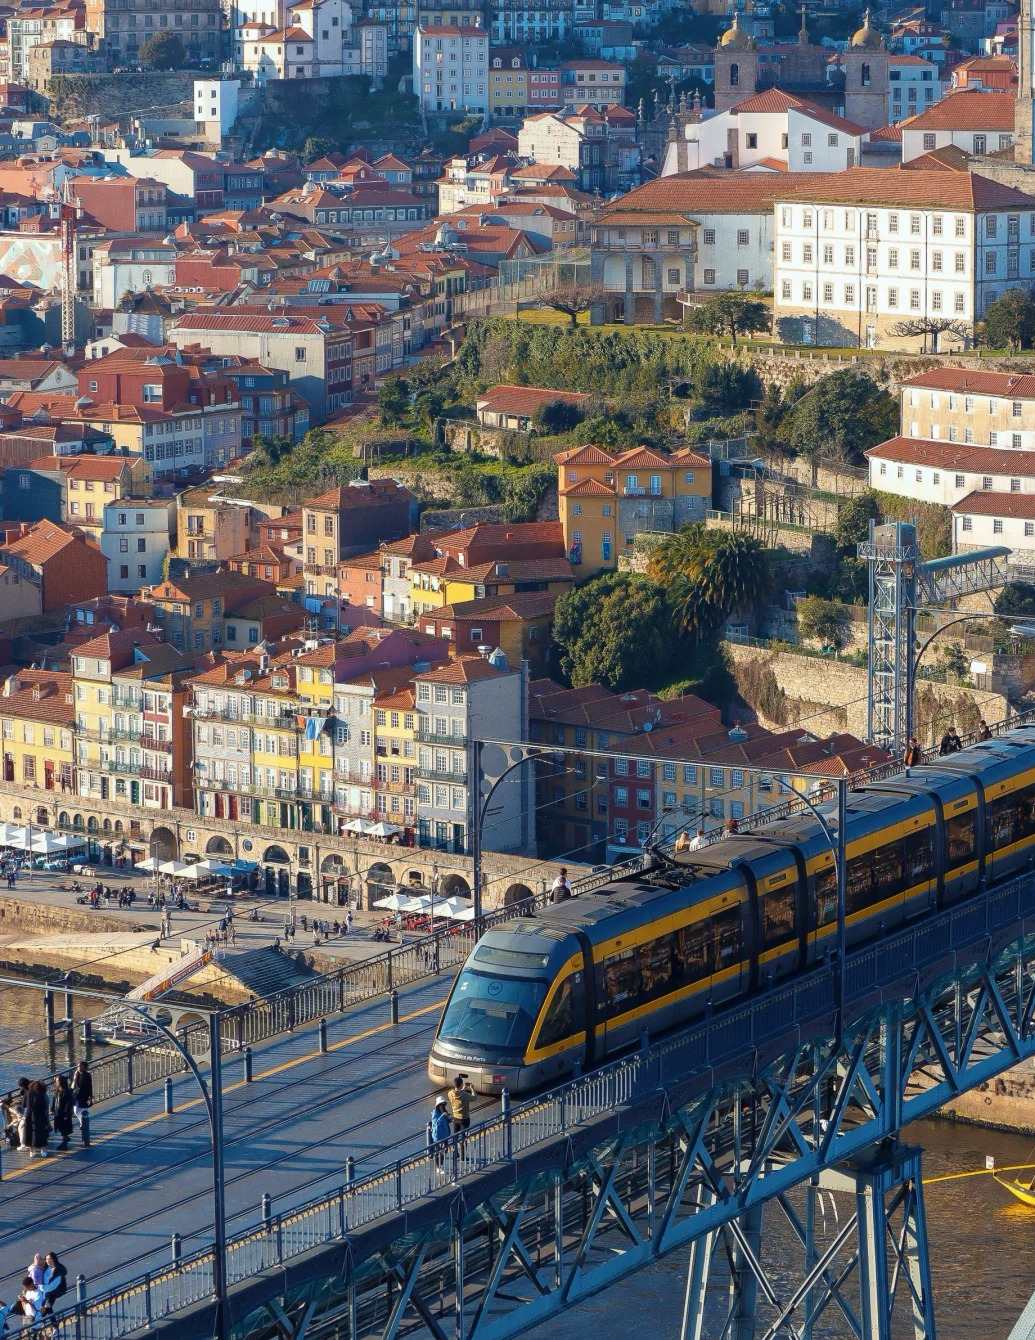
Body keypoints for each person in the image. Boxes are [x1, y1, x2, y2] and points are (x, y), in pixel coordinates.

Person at [21, 1079, 49, 1158]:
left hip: (33, 1115)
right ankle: (42, 1149)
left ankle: (33, 1150)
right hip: (39, 1115)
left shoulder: (30, 1093)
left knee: (31, 1132)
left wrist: (26, 1116)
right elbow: (45, 1106)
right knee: (40, 1132)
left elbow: (27, 1106)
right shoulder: (42, 1094)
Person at [71, 1060, 92, 1147]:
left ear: (84, 1067)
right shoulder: (76, 1074)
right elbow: (73, 1086)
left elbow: (90, 1086)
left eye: (80, 1066)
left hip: (84, 1096)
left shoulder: (87, 1075)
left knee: (83, 1112)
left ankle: (83, 1125)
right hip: (77, 1096)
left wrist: (91, 1097)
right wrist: (75, 1078)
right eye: (78, 1066)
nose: (78, 1067)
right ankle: (82, 1123)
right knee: (76, 1110)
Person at [51, 1075, 74, 1151]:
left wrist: (66, 1113)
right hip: (58, 1113)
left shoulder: (66, 1092)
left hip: (63, 1114)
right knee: (60, 1127)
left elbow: (68, 1104)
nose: (56, 1082)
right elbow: (54, 1101)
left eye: (57, 1081)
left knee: (64, 1128)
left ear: (61, 1082)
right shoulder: (57, 1091)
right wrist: (52, 1109)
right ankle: (65, 1139)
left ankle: (64, 1143)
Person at [430, 1097, 451, 1176]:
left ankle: (440, 1165)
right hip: (438, 1136)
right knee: (438, 1152)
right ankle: (438, 1167)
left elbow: (447, 1121)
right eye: (441, 1105)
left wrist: (449, 1118)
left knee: (444, 1150)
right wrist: (443, 1116)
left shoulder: (444, 1111)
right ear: (438, 1106)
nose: (443, 1107)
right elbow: (436, 1123)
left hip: (445, 1134)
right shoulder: (435, 1113)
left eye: (443, 1105)